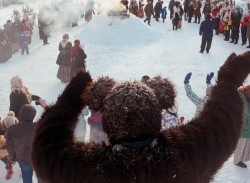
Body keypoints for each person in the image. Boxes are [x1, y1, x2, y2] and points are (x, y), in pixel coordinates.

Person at [32, 52, 250, 183]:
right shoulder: (185, 155)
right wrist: (228, 81)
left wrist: (74, 95)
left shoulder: (90, 169)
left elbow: (46, 148)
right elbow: (223, 125)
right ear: (156, 113)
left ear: (108, 122)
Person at [6, 102, 46, 183]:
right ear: (33, 115)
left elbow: (9, 145)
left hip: (24, 160)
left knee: (27, 180)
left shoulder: (11, 129)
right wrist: (45, 107)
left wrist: (13, 156)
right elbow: (51, 118)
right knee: (42, 180)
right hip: (39, 159)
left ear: (20, 114)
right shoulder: (39, 126)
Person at [233, 85, 250, 168]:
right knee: (241, 144)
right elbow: (247, 112)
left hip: (247, 126)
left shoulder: (246, 98)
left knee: (246, 144)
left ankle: (241, 159)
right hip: (243, 127)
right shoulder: (242, 99)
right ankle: (236, 161)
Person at [0, 111, 19, 179]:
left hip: (16, 148)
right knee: (7, 160)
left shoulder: (18, 129)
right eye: (7, 125)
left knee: (20, 159)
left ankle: (23, 169)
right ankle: (9, 170)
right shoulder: (2, 129)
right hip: (6, 149)